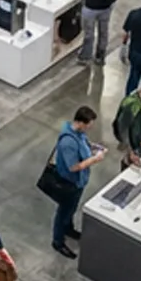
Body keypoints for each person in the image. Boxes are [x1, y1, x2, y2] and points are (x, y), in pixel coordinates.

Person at [47, 106, 106, 258]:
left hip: (78, 182)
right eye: (88, 125)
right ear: (80, 123)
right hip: (69, 182)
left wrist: (93, 147)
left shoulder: (79, 133)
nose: (90, 128)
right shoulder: (68, 142)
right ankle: (58, 241)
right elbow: (73, 167)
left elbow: (84, 143)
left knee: (71, 208)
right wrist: (94, 159)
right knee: (64, 211)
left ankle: (68, 228)